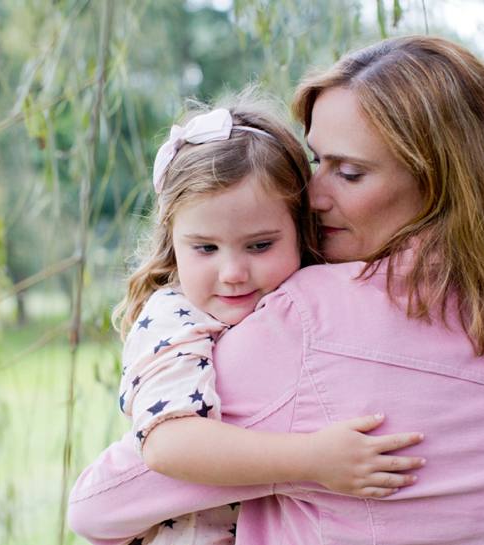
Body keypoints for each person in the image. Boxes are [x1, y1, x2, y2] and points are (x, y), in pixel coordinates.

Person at [69, 35, 484, 545]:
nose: (312, 195)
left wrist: (290, 471)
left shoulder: (308, 318)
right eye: (317, 160)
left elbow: (100, 506)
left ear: (442, 181)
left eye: (348, 173)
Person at [112, 99, 423, 545]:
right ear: (173, 243)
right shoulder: (174, 317)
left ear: (302, 231)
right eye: (205, 248)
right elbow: (168, 441)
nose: (233, 272)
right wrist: (312, 461)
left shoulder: (306, 296)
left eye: (259, 246)